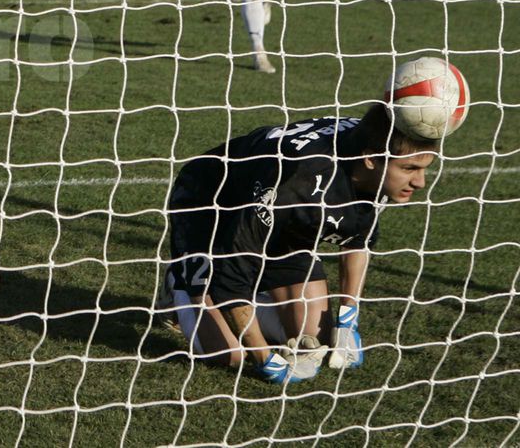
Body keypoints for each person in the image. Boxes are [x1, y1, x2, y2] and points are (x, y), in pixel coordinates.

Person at [163, 98, 442, 383]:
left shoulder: (374, 163)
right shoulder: (297, 183)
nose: (420, 182)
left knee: (315, 339)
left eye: (424, 169)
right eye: (409, 169)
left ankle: (253, 297)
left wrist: (349, 318)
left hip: (283, 221)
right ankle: (182, 284)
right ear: (370, 159)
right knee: (229, 355)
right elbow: (234, 272)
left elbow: (359, 238)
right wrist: (263, 358)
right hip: (211, 202)